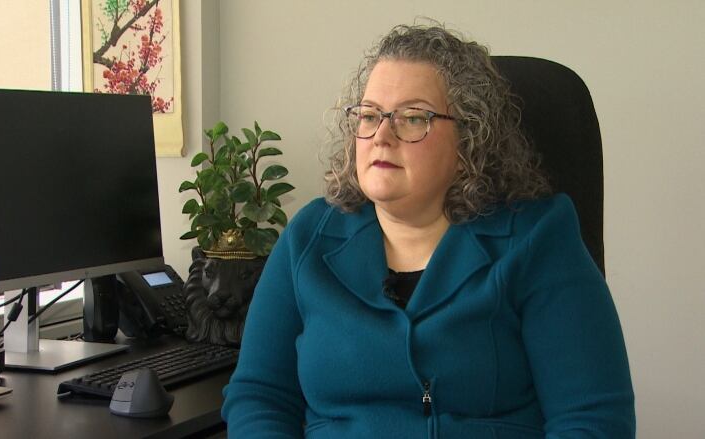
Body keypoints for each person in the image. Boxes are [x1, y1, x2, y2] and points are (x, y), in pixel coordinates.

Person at [222, 22, 635, 438]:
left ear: (470, 137)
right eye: (369, 116)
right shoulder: (308, 238)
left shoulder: (538, 238)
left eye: (413, 118)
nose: (382, 135)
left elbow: (593, 420)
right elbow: (260, 396)